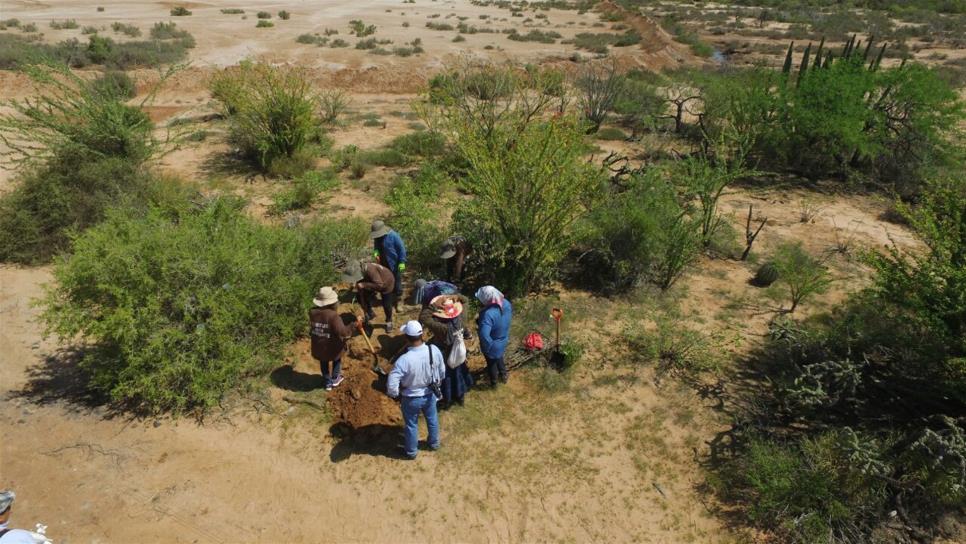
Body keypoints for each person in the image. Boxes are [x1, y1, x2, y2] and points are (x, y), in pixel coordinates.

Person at [386, 321, 445, 460]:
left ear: (406, 338)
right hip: (430, 394)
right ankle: (434, 443)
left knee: (411, 425)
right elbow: (442, 370)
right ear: (422, 335)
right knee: (432, 419)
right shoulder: (433, 350)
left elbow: (392, 381)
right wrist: (438, 382)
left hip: (411, 398)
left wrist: (394, 394)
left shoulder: (404, 360)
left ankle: (412, 452)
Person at [419, 294, 473, 409]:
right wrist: (455, 296)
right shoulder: (462, 319)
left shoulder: (442, 328)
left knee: (446, 375)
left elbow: (424, 317)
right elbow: (466, 300)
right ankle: (460, 397)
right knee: (458, 371)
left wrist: (434, 305)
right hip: (458, 352)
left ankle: (447, 400)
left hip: (444, 353)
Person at [309, 286, 355, 391]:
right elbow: (343, 332)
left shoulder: (312, 312)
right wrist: (353, 325)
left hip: (318, 345)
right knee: (337, 358)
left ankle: (327, 382)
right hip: (332, 346)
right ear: (332, 303)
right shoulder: (333, 316)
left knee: (323, 362)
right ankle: (335, 378)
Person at [343, 259, 395, 332]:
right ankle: (370, 313)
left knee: (386, 304)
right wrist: (362, 298)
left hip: (386, 283)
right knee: (359, 297)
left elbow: (380, 285)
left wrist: (364, 285)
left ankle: (389, 321)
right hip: (373, 281)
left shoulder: (370, 270)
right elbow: (360, 287)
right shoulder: (360, 272)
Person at [476, 286, 513, 387]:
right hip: (503, 339)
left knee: (491, 363)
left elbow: (484, 335)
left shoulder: (487, 314)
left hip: (492, 344)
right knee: (499, 356)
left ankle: (494, 383)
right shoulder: (506, 303)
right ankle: (504, 375)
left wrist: (488, 347)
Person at [370, 220, 407, 309]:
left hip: (394, 264)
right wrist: (376, 253)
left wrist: (402, 262)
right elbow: (376, 247)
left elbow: (401, 249)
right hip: (383, 263)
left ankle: (398, 300)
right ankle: (388, 299)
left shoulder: (394, 236)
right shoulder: (377, 237)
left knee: (397, 282)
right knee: (386, 281)